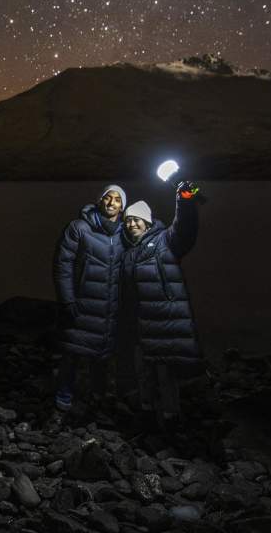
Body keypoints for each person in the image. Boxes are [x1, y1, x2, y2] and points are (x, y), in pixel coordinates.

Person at [118, 181, 203, 430]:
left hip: (165, 323)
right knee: (142, 372)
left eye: (137, 220)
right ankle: (146, 415)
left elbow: (185, 229)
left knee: (166, 375)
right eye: (128, 221)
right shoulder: (128, 255)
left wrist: (185, 200)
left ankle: (171, 418)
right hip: (141, 325)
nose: (132, 224)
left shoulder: (166, 241)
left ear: (147, 222)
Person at [52, 184, 127, 414]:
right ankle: (64, 394)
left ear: (122, 207)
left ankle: (97, 396)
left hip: (109, 306)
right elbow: (62, 265)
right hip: (82, 303)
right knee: (72, 351)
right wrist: (67, 300)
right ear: (99, 200)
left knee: (101, 354)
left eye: (117, 200)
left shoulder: (125, 233)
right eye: (107, 197)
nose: (111, 203)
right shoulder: (79, 228)